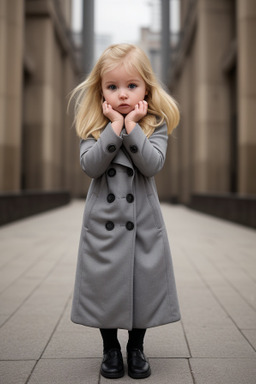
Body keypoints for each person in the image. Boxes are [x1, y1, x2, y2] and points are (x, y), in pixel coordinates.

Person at [70, 43, 181, 380]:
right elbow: (91, 166)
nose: (122, 95)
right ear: (100, 89)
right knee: (104, 285)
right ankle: (110, 349)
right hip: (103, 224)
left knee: (143, 285)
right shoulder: (93, 124)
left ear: (146, 87)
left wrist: (132, 126)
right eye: (112, 86)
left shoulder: (153, 124)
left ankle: (136, 347)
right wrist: (113, 127)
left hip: (142, 224)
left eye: (131, 86)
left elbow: (152, 165)